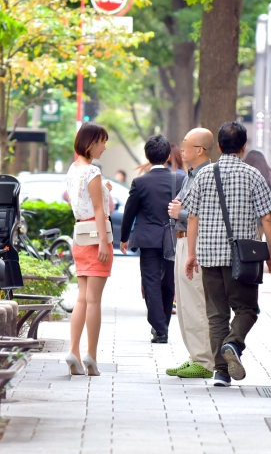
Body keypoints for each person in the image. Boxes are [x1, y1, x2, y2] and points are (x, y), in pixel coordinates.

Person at [182, 121, 271, 387]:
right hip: (243, 258)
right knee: (247, 308)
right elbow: (268, 218)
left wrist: (191, 253)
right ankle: (233, 344)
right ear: (243, 147)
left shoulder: (203, 175)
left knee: (216, 315)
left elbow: (192, 217)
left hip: (209, 255)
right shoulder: (253, 175)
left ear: (220, 146)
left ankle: (221, 372)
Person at [120, 135, 182, 343]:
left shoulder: (140, 182)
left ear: (147, 156)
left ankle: (160, 328)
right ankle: (162, 324)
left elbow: (130, 211)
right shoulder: (179, 179)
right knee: (168, 283)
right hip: (172, 240)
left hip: (148, 239)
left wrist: (124, 237)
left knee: (151, 282)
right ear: (167, 156)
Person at [64, 122, 114, 376]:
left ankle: (74, 350)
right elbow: (99, 210)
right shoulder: (92, 171)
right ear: (91, 143)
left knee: (82, 298)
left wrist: (103, 191)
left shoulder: (74, 170)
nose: (105, 147)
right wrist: (104, 242)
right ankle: (91, 356)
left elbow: (76, 200)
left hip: (80, 238)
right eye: (102, 142)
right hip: (96, 237)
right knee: (94, 300)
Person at [165, 128, 215, 379]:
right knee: (184, 303)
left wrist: (179, 213)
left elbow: (205, 216)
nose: (181, 148)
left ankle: (204, 361)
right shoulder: (190, 175)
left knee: (195, 302)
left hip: (196, 244)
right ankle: (196, 356)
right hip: (183, 241)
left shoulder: (207, 175)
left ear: (199, 150)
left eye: (186, 144)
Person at [244, 150, 271, 239]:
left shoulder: (241, 180)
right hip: (260, 225)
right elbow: (269, 214)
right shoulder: (268, 183)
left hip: (241, 224)